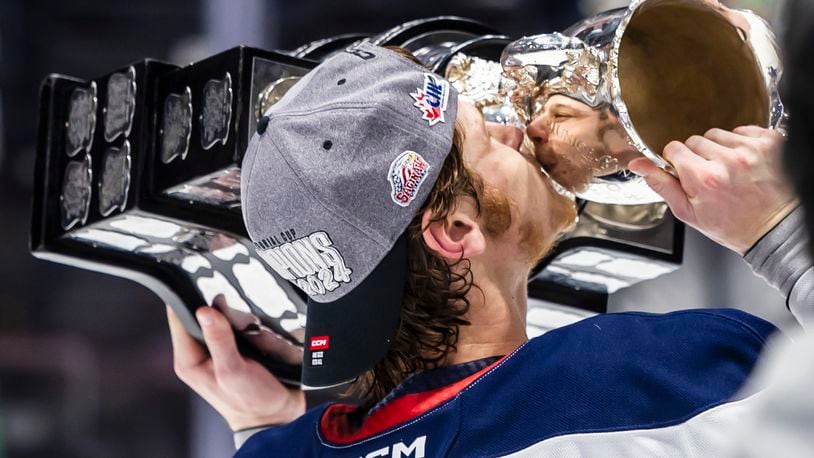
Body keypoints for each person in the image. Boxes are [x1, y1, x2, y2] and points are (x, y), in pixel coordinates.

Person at [166, 43, 802, 456]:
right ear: (456, 232)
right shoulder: (630, 373)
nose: (515, 130)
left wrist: (264, 426)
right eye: (484, 136)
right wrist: (784, 236)